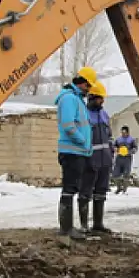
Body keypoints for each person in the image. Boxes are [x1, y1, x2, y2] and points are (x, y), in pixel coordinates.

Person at [55, 66, 97, 240]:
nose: (89, 91)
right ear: (82, 83)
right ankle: (66, 229)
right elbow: (68, 125)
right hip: (72, 151)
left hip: (79, 152)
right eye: (88, 87)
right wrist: (82, 140)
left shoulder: (77, 99)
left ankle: (68, 227)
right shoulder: (69, 99)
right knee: (69, 188)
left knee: (72, 187)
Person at [78, 81, 113, 233]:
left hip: (105, 161)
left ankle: (98, 224)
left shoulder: (104, 114)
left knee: (101, 192)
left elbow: (109, 136)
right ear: (92, 97)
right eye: (100, 99)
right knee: (85, 192)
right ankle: (84, 225)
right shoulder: (83, 115)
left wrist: (111, 154)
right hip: (89, 160)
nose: (102, 102)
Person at [111, 126, 138, 194]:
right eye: (122, 132)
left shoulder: (131, 140)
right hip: (119, 158)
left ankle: (124, 189)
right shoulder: (118, 139)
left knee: (126, 174)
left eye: (125, 132)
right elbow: (114, 146)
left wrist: (131, 151)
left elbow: (135, 148)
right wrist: (115, 149)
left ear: (128, 132)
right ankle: (119, 187)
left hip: (127, 158)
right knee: (115, 174)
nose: (123, 134)